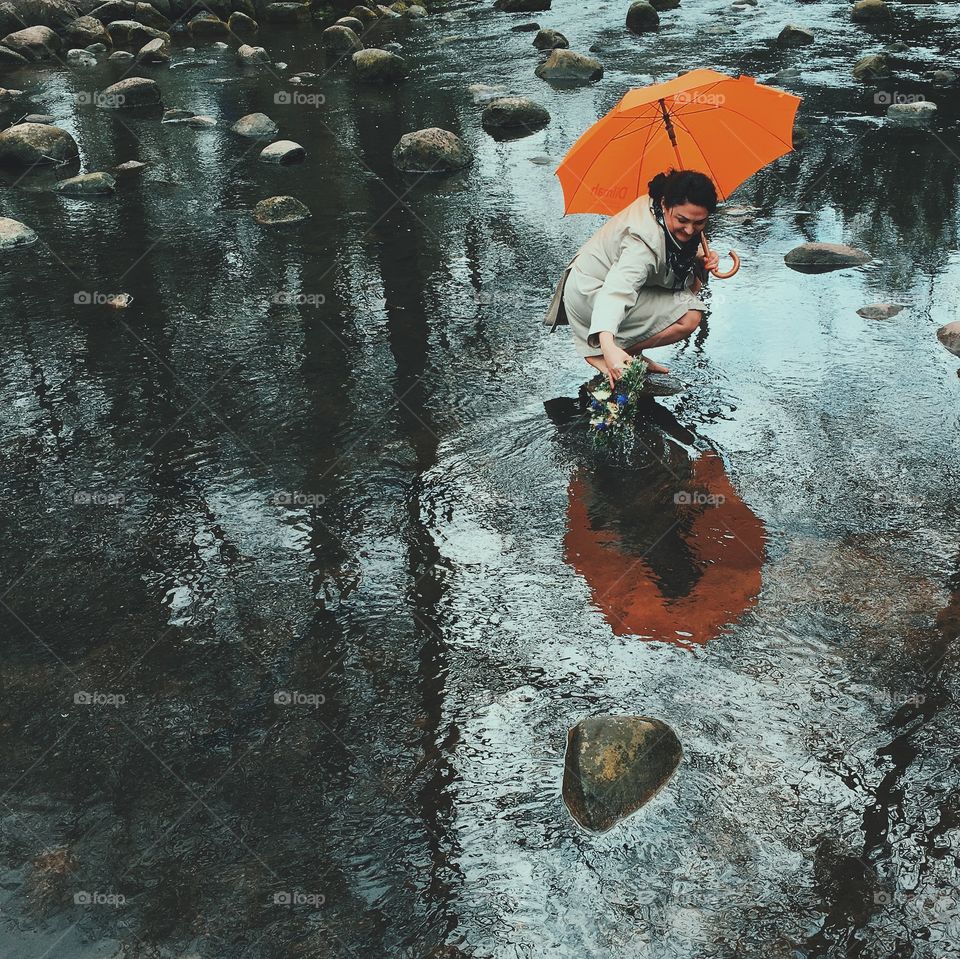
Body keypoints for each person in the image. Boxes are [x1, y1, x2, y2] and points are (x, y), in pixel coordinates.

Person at [548, 169, 720, 387]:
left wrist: (701, 258)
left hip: (602, 282)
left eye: (699, 223)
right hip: (591, 292)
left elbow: (678, 260)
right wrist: (607, 344)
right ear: (666, 205)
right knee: (690, 314)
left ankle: (630, 353)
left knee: (691, 289)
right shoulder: (641, 243)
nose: (689, 230)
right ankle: (606, 355)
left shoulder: (661, 208)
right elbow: (617, 292)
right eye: (682, 220)